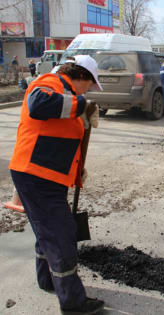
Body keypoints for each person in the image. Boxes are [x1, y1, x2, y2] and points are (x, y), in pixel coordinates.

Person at [8, 55, 105, 315]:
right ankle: (73, 302)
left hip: (46, 176)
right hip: (37, 176)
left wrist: (76, 171)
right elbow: (38, 104)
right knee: (62, 236)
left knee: (48, 232)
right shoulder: (51, 82)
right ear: (81, 76)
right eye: (90, 84)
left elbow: (56, 138)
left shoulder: (67, 94)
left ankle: (48, 280)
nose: (88, 90)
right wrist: (81, 104)